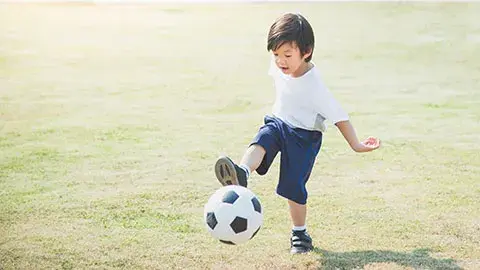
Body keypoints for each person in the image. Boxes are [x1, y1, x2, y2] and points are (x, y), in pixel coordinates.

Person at [214, 13, 381, 254]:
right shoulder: (278, 66)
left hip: (304, 137)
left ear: (307, 52)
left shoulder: (315, 87)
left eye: (287, 55)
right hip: (279, 123)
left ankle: (299, 233)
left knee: (293, 187)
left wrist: (356, 144)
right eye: (276, 55)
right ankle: (242, 172)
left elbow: (339, 117)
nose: (280, 61)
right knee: (263, 138)